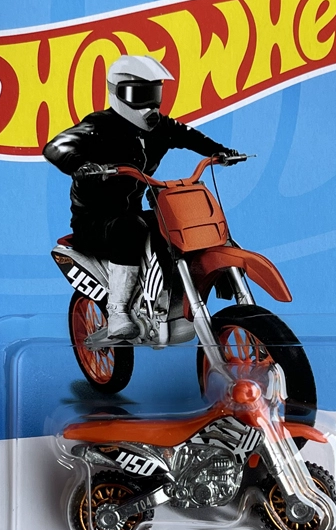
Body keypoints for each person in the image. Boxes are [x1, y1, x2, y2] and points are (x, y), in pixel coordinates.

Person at [43, 55, 237, 339]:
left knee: (182, 224)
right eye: (139, 95)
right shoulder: (99, 125)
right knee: (130, 228)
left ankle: (192, 288)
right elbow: (56, 146)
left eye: (153, 94)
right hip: (95, 220)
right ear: (118, 94)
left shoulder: (160, 128)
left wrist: (219, 151)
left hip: (131, 211)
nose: (150, 105)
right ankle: (118, 310)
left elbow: (188, 135)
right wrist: (81, 165)